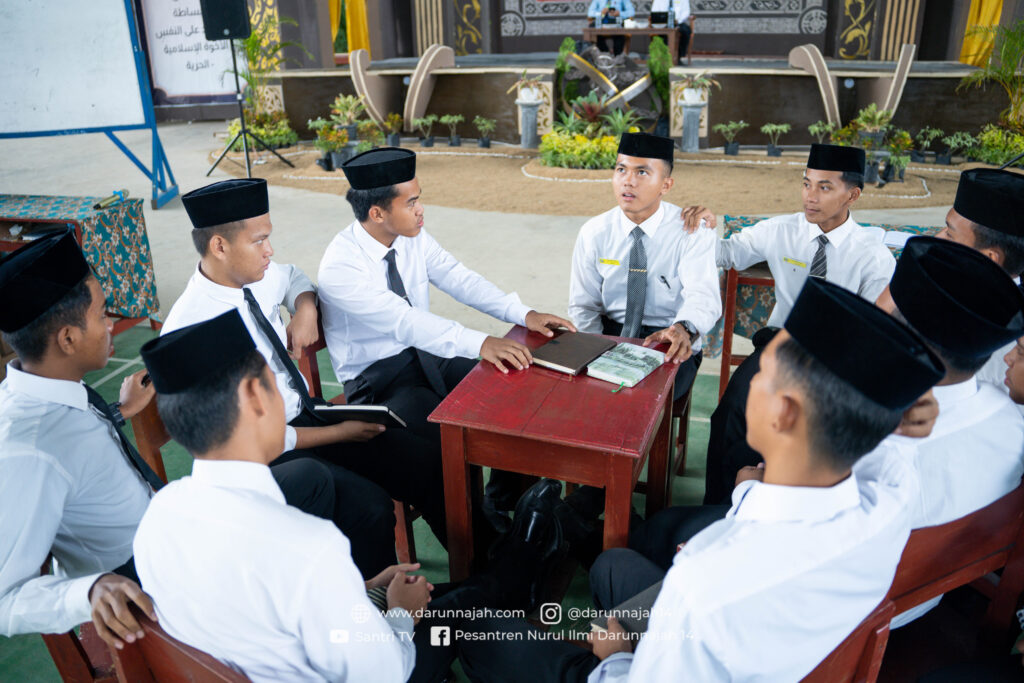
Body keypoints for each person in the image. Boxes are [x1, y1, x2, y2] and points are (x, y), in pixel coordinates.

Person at [453, 277, 944, 682]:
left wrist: (618, 654)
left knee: (477, 635)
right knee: (611, 566)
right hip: (776, 648)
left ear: (784, 412)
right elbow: (898, 449)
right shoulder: (894, 497)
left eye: (760, 374)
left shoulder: (706, 577)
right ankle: (562, 535)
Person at [133, 309, 565, 683]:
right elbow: (388, 672)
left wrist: (358, 590)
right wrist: (398, 614)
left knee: (434, 595)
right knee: (450, 612)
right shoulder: (309, 547)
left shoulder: (158, 518)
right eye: (274, 377)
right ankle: (516, 573)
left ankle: (509, 574)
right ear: (254, 398)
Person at [0, 231, 336, 651]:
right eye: (103, 314)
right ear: (67, 339)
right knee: (304, 498)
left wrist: (117, 413)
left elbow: (75, 453)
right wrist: (89, 591)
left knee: (307, 481)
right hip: (150, 585)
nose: (110, 326)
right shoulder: (26, 446)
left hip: (171, 530)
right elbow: (4, 597)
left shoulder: (49, 389)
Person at [164, 178, 445, 577]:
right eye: (259, 241)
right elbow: (248, 443)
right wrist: (341, 432)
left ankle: (481, 559)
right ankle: (377, 611)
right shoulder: (189, 329)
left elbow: (294, 276)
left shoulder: (254, 277)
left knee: (423, 460)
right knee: (370, 507)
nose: (270, 251)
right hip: (264, 457)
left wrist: (305, 308)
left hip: (306, 415)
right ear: (219, 246)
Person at [318, 147, 575, 520]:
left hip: (426, 358)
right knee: (447, 448)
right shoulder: (342, 266)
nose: (421, 210)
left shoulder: (410, 235)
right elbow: (405, 321)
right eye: (412, 202)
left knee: (515, 393)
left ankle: (503, 503)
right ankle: (479, 552)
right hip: (379, 382)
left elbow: (458, 278)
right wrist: (482, 342)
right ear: (377, 213)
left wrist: (524, 314)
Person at [700, 143, 897, 504]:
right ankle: (720, 510)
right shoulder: (781, 230)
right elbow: (727, 253)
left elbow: (872, 331)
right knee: (729, 414)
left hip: (835, 359)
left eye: (824, 187)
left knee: (813, 430)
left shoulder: (872, 256)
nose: (810, 196)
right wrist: (701, 227)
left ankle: (784, 504)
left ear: (852, 194)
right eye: (806, 184)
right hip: (779, 345)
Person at [880, 236, 1024, 626]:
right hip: (927, 598)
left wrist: (749, 486)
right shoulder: (1014, 422)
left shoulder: (876, 451)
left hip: (850, 627)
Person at [569, 131, 720, 401]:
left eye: (642, 172)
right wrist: (595, 350)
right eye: (621, 169)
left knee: (640, 403)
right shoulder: (594, 232)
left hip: (669, 338)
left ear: (666, 184)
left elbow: (703, 296)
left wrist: (682, 329)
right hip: (609, 333)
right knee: (579, 395)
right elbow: (583, 305)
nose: (628, 181)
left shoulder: (691, 231)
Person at [933, 168, 1024, 394]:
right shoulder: (942, 290)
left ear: (988, 258)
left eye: (950, 235)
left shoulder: (1013, 343)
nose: (937, 238)